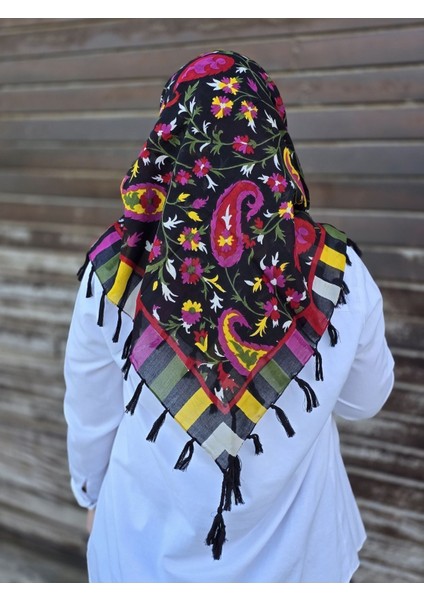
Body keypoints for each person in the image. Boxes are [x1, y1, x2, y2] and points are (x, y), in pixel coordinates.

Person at [64, 50, 394, 583]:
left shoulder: (117, 270)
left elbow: (91, 417)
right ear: (272, 137)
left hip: (141, 558)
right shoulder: (335, 269)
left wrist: (89, 496)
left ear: (169, 138)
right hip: (305, 565)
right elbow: (365, 399)